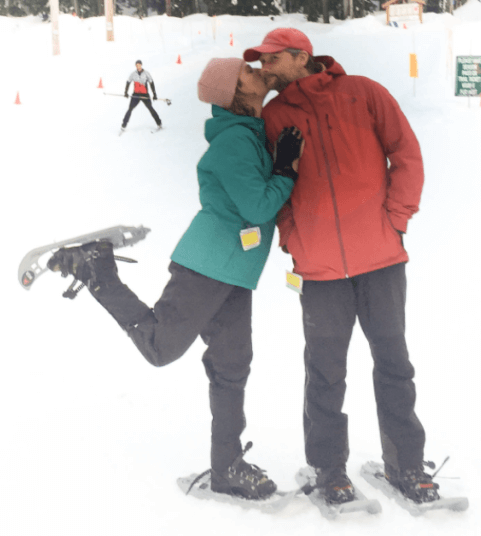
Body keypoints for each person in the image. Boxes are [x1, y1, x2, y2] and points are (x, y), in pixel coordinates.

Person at [47, 58, 305, 501]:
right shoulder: (233, 143)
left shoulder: (248, 134)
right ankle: (96, 270)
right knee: (160, 347)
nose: (257, 70)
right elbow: (258, 207)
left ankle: (227, 468)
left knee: (231, 367)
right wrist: (284, 170)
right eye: (246, 72)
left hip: (235, 271)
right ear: (234, 92)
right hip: (208, 264)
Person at [243, 28, 439, 505]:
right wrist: (294, 238)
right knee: (326, 373)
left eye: (271, 59)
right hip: (320, 269)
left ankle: (407, 466)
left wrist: (396, 219)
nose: (264, 68)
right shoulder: (272, 116)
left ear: (299, 56)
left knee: (395, 364)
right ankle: (330, 471)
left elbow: (406, 155)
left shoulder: (364, 93)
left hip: (381, 260)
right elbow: (275, 183)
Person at [121, 60, 162, 133]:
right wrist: (126, 92)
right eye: (136, 65)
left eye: (139, 65)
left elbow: (151, 83)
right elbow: (128, 82)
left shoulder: (146, 73)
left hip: (144, 95)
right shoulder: (133, 74)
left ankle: (159, 123)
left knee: (150, 108)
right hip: (136, 95)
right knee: (130, 109)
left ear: (141, 65)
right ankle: (123, 125)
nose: (138, 66)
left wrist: (154, 94)